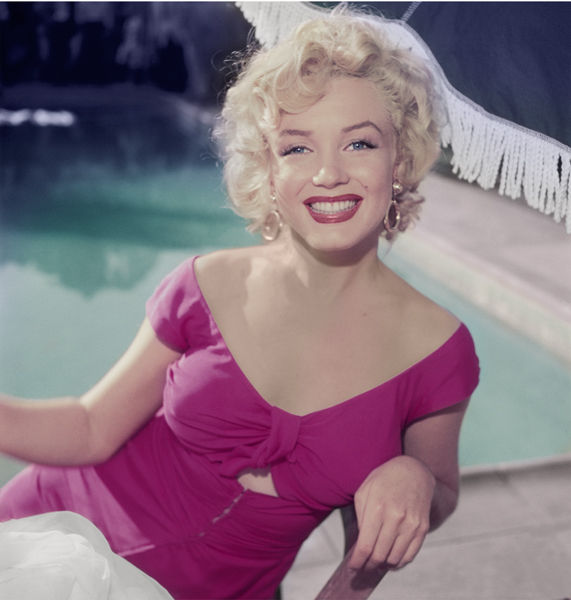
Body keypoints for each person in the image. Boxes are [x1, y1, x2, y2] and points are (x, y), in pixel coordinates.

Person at [0, 8, 479, 600]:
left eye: (359, 142)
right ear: (268, 170)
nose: (328, 173)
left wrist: (416, 476)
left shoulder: (437, 349)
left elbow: (439, 496)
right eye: (297, 148)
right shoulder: (206, 284)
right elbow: (92, 427)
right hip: (54, 548)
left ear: (398, 160)